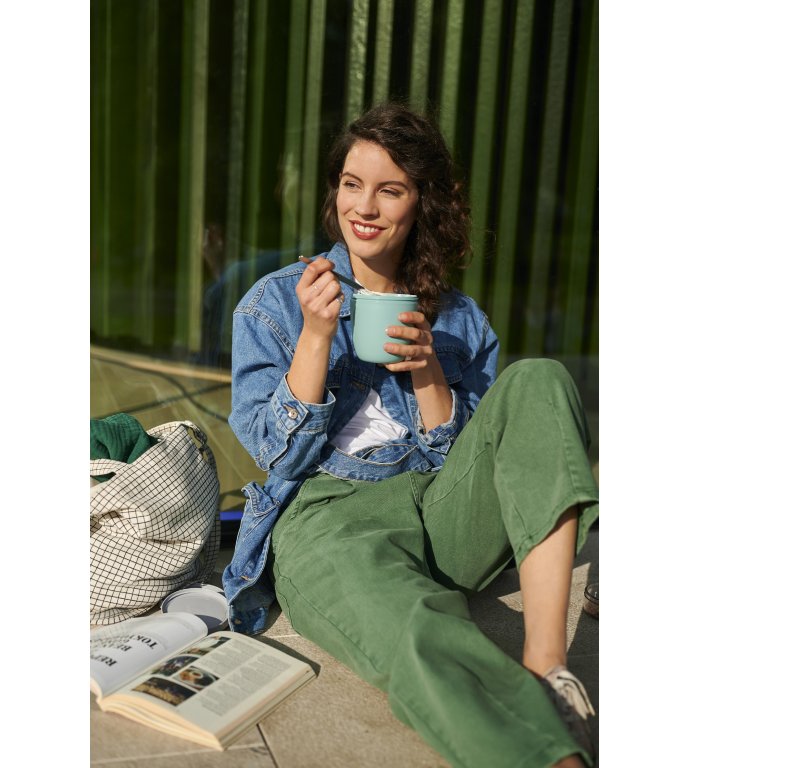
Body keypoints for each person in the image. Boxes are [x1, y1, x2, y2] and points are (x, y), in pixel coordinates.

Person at [222, 103, 600, 768]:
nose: (364, 207)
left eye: (390, 189)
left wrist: (428, 372)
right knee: (421, 631)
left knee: (539, 376)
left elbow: (486, 465)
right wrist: (316, 336)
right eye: (351, 184)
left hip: (438, 509)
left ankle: (548, 668)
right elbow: (273, 455)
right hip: (329, 517)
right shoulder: (276, 303)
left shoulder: (459, 319)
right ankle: (545, 756)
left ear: (422, 201)